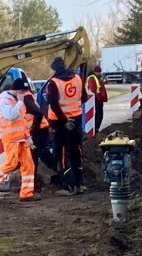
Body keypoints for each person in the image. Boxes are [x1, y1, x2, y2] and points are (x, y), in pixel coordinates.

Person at [0, 77, 41, 203]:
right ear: (17, 91)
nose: (25, 94)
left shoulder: (17, 100)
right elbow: (11, 115)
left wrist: (28, 137)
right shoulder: (4, 100)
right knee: (11, 164)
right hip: (12, 139)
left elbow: (22, 121)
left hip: (21, 139)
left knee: (29, 165)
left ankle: (26, 194)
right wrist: (19, 102)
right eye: (23, 92)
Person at [45, 56, 88, 196]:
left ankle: (68, 186)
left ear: (54, 68)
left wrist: (64, 121)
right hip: (76, 119)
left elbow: (54, 105)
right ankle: (80, 183)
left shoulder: (53, 83)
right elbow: (84, 98)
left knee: (63, 152)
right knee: (76, 151)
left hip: (61, 123)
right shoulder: (77, 78)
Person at [86, 65, 108, 133]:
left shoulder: (96, 78)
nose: (99, 73)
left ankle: (95, 128)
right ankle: (95, 128)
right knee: (99, 114)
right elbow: (93, 90)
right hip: (97, 99)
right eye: (99, 72)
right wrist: (99, 97)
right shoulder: (93, 78)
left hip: (98, 99)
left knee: (99, 114)